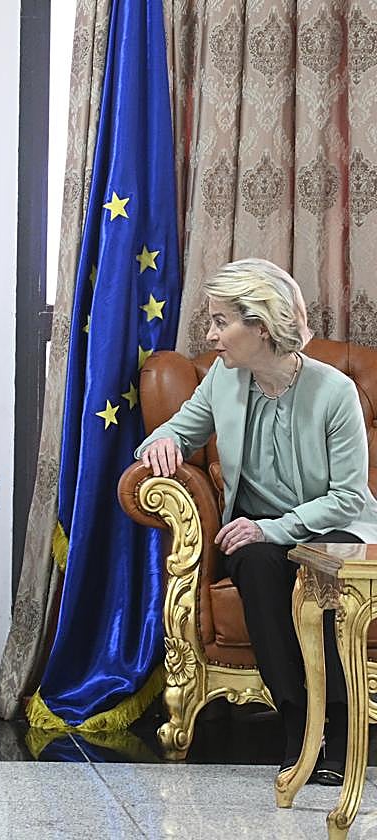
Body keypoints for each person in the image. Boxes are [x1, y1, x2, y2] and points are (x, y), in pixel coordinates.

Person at [137, 257, 377, 785]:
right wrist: (162, 446)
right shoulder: (226, 378)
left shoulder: (334, 392)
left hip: (331, 527)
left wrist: (274, 527)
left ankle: (337, 740)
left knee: (324, 576)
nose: (210, 334)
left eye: (221, 321)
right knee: (256, 563)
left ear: (261, 326)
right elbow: (176, 430)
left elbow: (347, 497)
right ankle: (297, 729)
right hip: (257, 537)